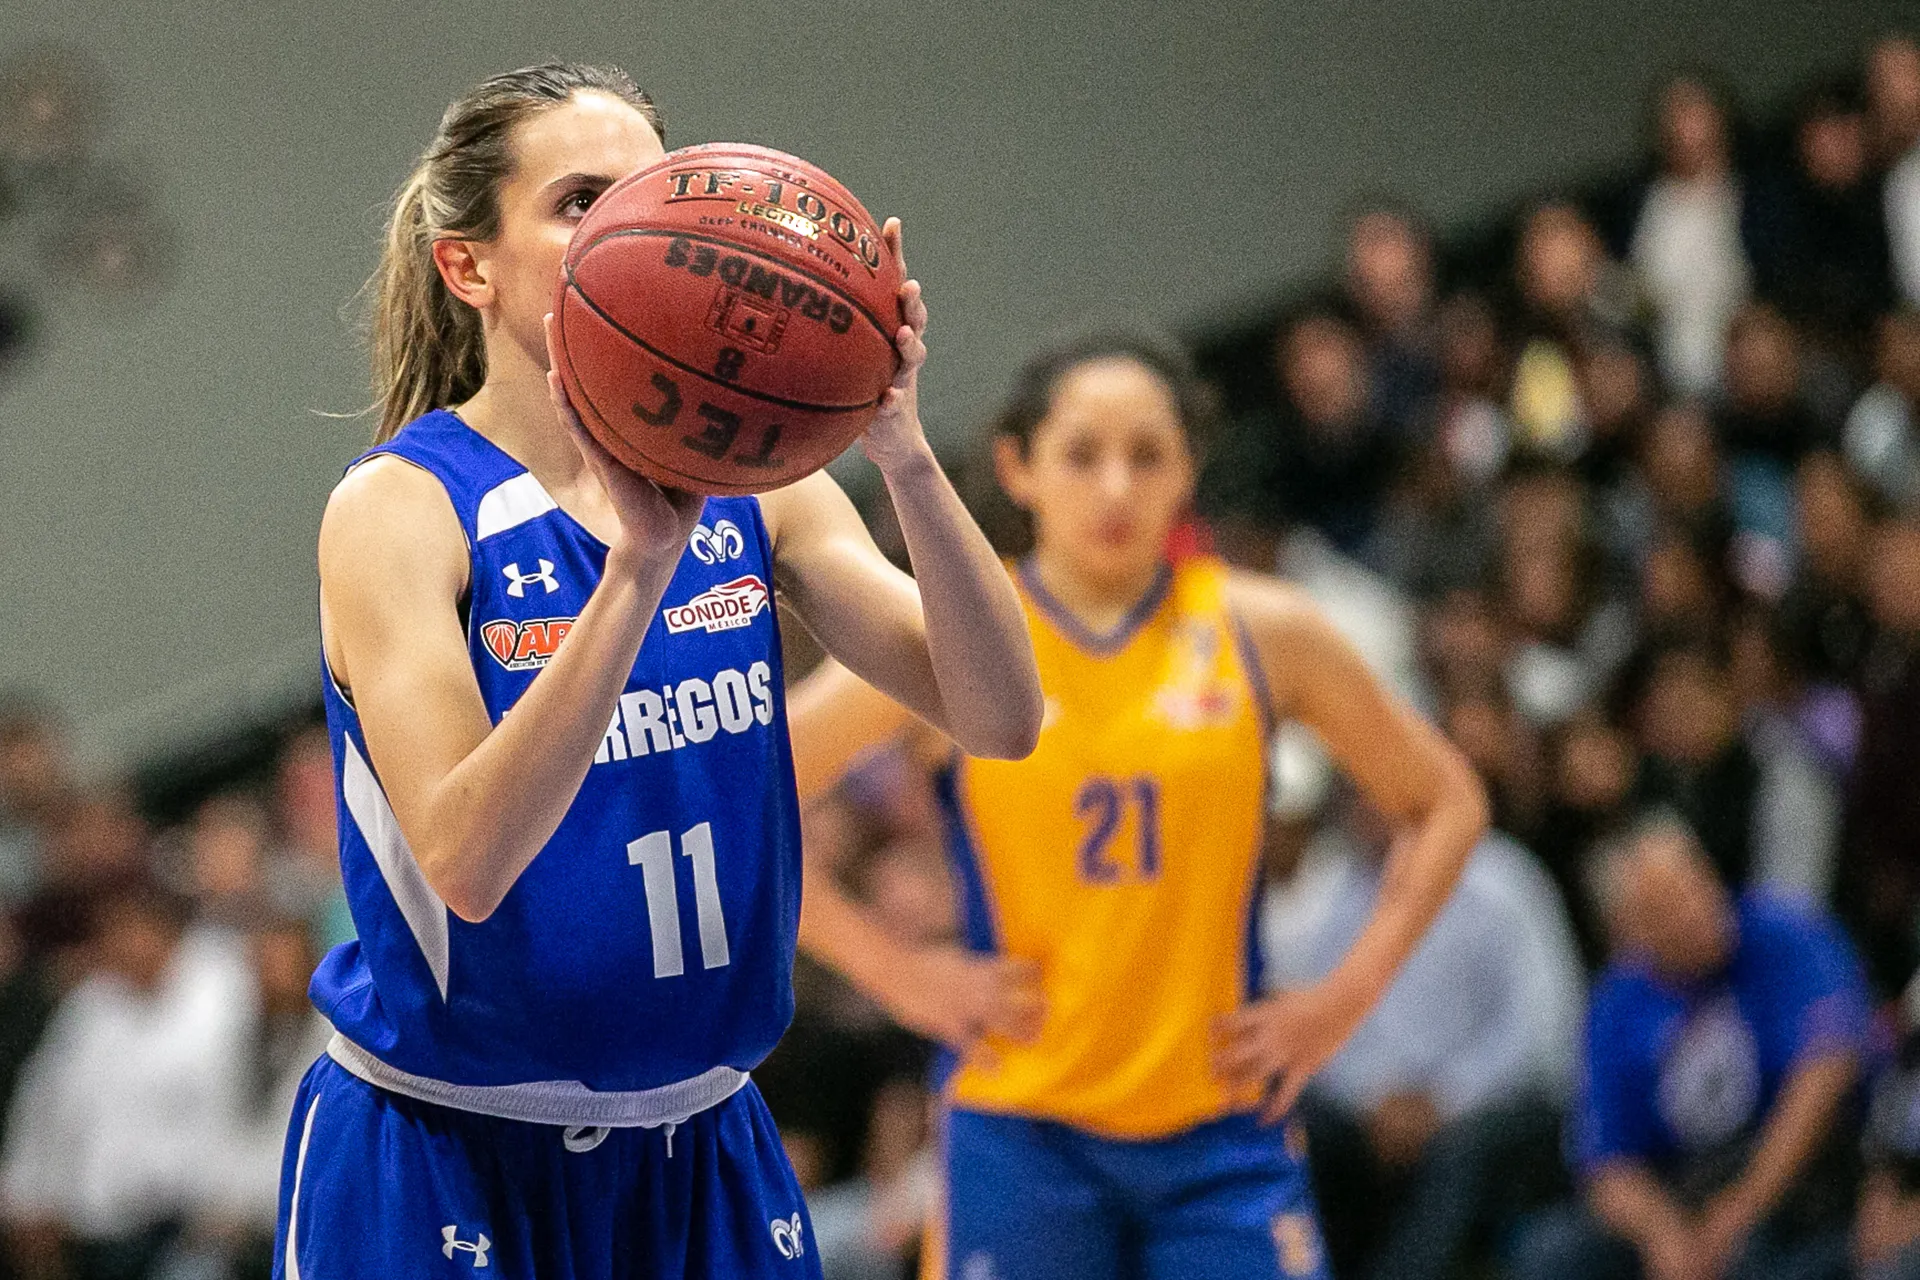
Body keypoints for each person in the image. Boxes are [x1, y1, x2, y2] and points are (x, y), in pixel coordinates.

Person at [278, 62, 1041, 1280]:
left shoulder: (765, 485)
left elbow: (1004, 714)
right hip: (447, 1146)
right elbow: (467, 861)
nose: (630, 224)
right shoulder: (403, 508)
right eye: (581, 199)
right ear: (468, 265)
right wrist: (637, 569)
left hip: (700, 1137)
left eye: (650, 191)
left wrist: (895, 447)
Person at [787, 332, 1489, 1279]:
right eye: (1082, 453)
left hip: (1221, 1129)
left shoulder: (1264, 629)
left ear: (1188, 468)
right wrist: (902, 976)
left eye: (1147, 453)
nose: (1115, 485)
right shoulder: (953, 640)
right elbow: (738, 802)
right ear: (1017, 467)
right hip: (1022, 1133)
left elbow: (1447, 804)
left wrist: (1340, 1003)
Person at [1510, 816, 1870, 1280]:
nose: (1692, 912)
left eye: (1694, 885)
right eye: (1663, 909)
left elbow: (1826, 1073)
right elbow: (1604, 1163)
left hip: (1798, 1171)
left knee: (1752, 1257)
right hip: (1682, 1183)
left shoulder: (1787, 935)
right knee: (1552, 1253)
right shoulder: (1615, 1004)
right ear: (1626, 933)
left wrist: (1742, 1208)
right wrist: (1664, 1233)